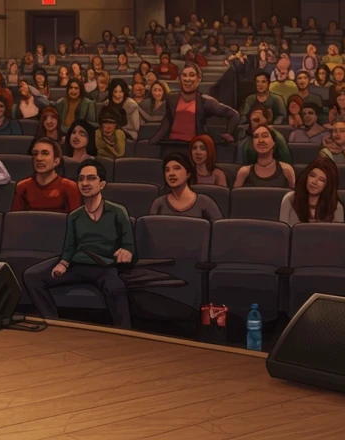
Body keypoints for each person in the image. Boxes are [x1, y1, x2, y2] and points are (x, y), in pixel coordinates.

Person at [25, 159, 133, 328]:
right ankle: (54, 324)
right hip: (77, 264)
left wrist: (126, 251)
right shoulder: (75, 216)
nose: (85, 183)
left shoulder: (118, 211)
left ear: (102, 183)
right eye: (81, 179)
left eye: (91, 178)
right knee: (32, 276)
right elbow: (69, 247)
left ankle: (125, 335)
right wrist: (63, 263)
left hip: (104, 267)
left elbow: (129, 244)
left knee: (116, 289)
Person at [148, 64, 239, 146]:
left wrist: (228, 133)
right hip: (171, 143)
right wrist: (152, 142)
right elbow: (167, 122)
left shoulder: (206, 101)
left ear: (199, 79)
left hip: (194, 147)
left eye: (191, 75)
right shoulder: (172, 99)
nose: (187, 79)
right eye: (184, 75)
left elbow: (234, 115)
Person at [13, 138, 81, 213]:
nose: (38, 158)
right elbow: (15, 219)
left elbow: (75, 220)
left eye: (45, 153)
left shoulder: (70, 187)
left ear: (56, 161)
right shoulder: (22, 187)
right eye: (35, 154)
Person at [151, 153, 224, 220]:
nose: (171, 173)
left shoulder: (206, 203)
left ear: (188, 174)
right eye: (167, 170)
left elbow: (220, 231)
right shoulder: (158, 204)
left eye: (177, 168)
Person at [281, 157, 343, 225]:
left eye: (321, 180)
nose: (314, 182)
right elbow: (282, 233)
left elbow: (338, 234)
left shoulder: (336, 207)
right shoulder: (289, 199)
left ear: (328, 185)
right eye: (312, 175)